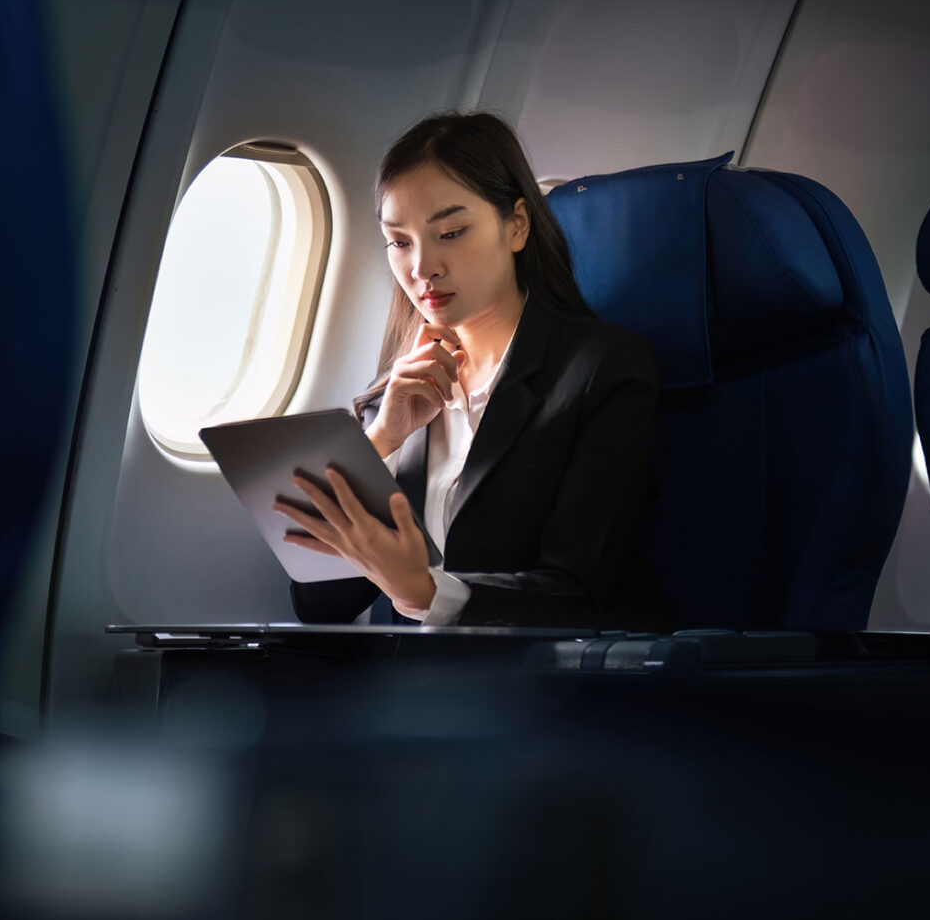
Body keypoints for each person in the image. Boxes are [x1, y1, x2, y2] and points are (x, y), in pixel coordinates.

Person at [279, 112, 663, 628]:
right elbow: (319, 605)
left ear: (517, 226)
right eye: (399, 241)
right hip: (410, 691)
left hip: (531, 692)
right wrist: (380, 440)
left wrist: (427, 593)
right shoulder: (390, 399)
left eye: (451, 232)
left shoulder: (602, 372)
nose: (422, 268)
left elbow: (579, 596)